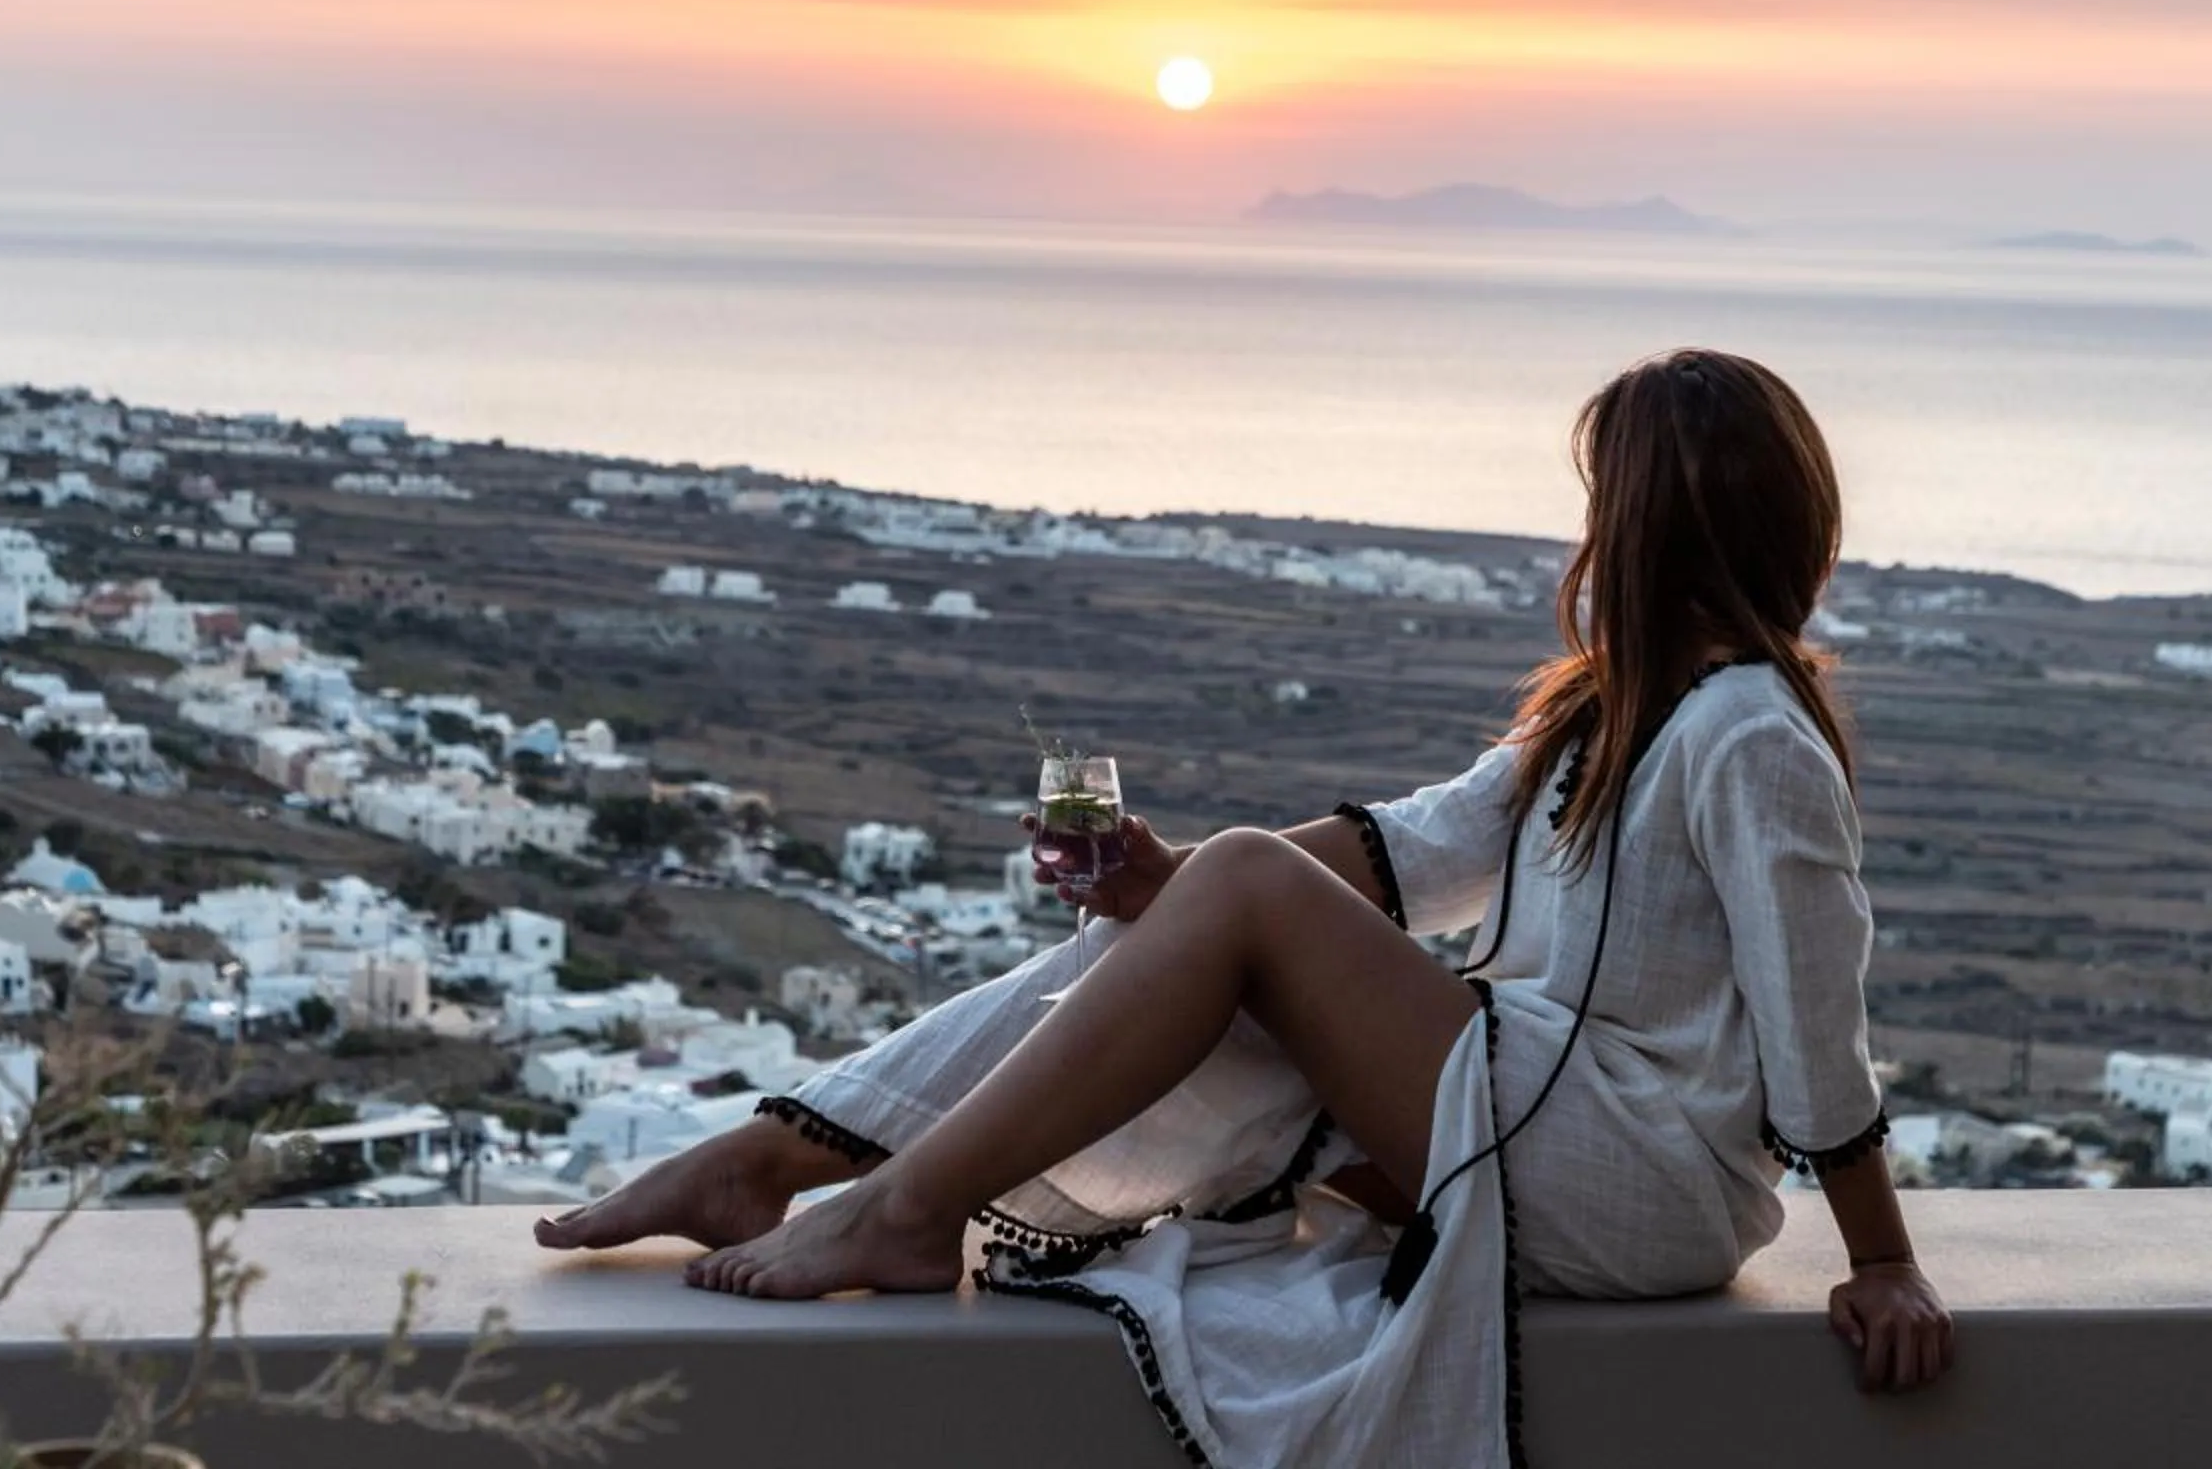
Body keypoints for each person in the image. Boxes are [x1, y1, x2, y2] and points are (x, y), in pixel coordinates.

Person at [538, 350, 1953, 1466]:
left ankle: (898, 1207)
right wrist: (1167, 893)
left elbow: (1815, 1022)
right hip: (1537, 1125)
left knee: (1236, 885)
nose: (1589, 530)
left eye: (1608, 501)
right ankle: (780, 1153)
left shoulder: (1754, 733)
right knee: (1153, 926)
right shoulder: (1612, 711)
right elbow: (1415, 848)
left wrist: (1881, 1261)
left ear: (1654, 525)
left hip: (1639, 1183)